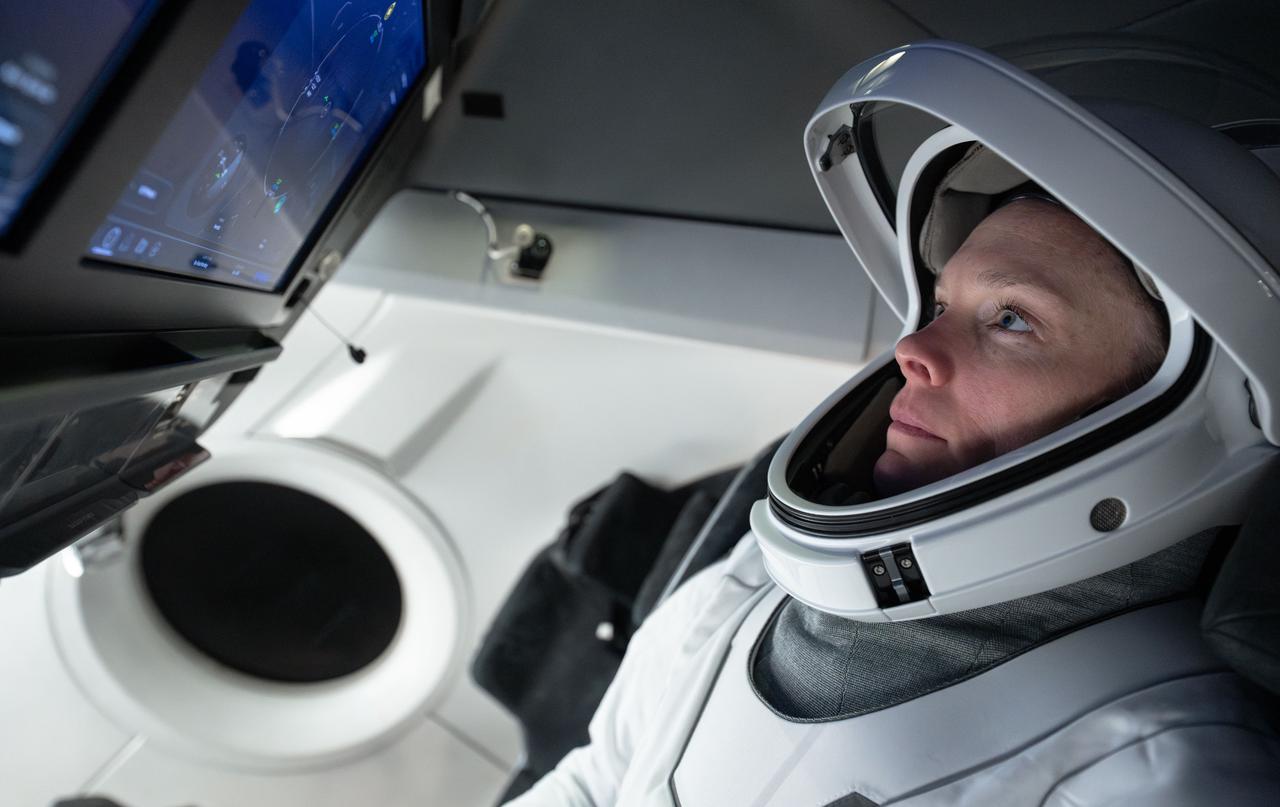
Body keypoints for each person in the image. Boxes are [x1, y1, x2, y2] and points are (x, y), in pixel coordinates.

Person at [509, 41, 1280, 806]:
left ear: (1180, 405)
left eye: (1012, 318)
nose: (913, 348)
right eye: (942, 305)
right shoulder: (767, 569)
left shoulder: (1160, 770)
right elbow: (595, 778)